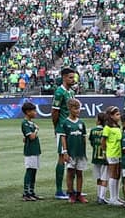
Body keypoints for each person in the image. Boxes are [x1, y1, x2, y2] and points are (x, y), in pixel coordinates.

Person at [52, 67, 79, 200]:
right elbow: (55, 112)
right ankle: (58, 190)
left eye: (73, 77)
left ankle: (70, 189)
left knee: (72, 159)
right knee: (62, 158)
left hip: (71, 128)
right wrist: (56, 127)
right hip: (63, 129)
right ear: (63, 77)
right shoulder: (59, 92)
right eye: (70, 77)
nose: (73, 80)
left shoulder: (71, 92)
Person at [59, 97, 88, 204]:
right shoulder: (65, 123)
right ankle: (71, 194)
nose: (78, 110)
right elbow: (63, 138)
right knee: (70, 173)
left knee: (80, 173)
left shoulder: (81, 123)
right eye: (76, 108)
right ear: (70, 109)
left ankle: (79, 194)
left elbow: (84, 137)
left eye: (79, 108)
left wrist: (84, 152)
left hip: (80, 153)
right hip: (71, 153)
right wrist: (65, 152)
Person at [21, 101, 42, 201]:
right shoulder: (25, 123)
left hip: (35, 149)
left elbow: (26, 138)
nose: (35, 112)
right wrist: (36, 130)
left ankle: (31, 192)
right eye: (34, 111)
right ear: (27, 112)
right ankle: (26, 193)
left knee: (34, 171)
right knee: (29, 170)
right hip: (30, 151)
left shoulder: (31, 123)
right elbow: (32, 137)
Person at [104, 106, 123, 206]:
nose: (119, 116)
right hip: (112, 153)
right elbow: (104, 141)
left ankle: (117, 196)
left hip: (118, 152)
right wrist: (104, 152)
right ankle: (112, 198)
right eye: (117, 114)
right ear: (111, 116)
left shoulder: (117, 126)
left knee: (118, 174)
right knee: (113, 174)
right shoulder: (107, 128)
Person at [91, 113, 109, 205]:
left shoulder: (93, 130)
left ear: (98, 120)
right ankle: (102, 197)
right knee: (104, 178)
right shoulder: (106, 131)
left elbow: (92, 142)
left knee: (98, 177)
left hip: (95, 157)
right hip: (104, 158)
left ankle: (99, 196)